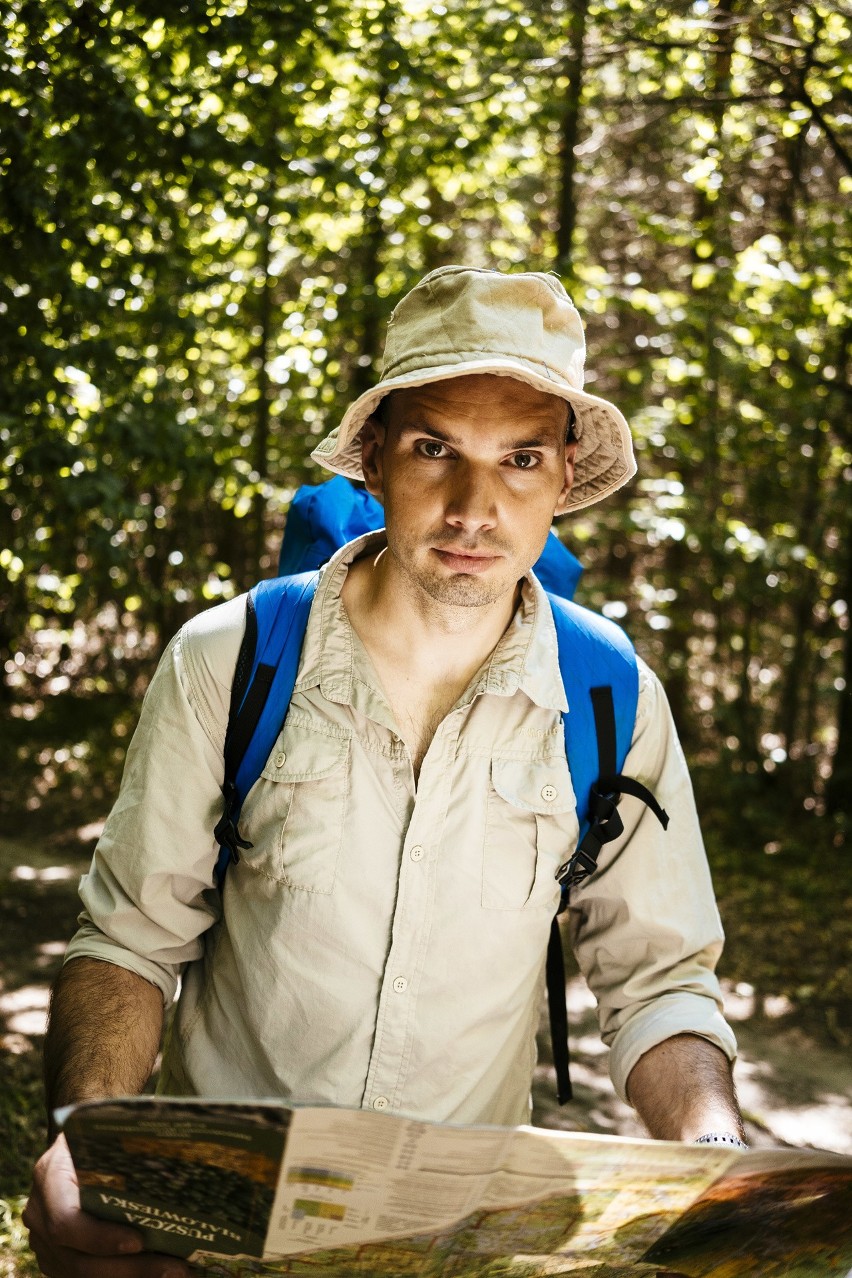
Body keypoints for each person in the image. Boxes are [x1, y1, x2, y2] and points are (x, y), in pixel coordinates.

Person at [25, 266, 745, 1278]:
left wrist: (714, 1158)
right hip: (211, 1232)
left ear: (565, 476)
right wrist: (89, 1146)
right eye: (434, 448)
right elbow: (131, 941)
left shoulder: (612, 700)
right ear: (371, 457)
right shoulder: (231, 661)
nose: (472, 507)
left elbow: (659, 983)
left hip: (450, 1242)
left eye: (520, 459)